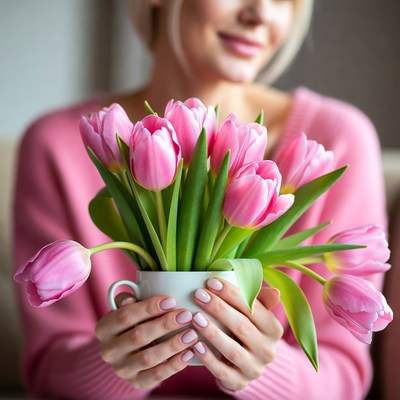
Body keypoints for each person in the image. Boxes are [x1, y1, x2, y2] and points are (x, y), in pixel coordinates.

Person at [13, 1, 387, 399]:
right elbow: (49, 373)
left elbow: (345, 378)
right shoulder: (58, 144)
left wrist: (264, 370)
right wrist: (115, 367)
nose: (261, 14)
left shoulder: (337, 137)